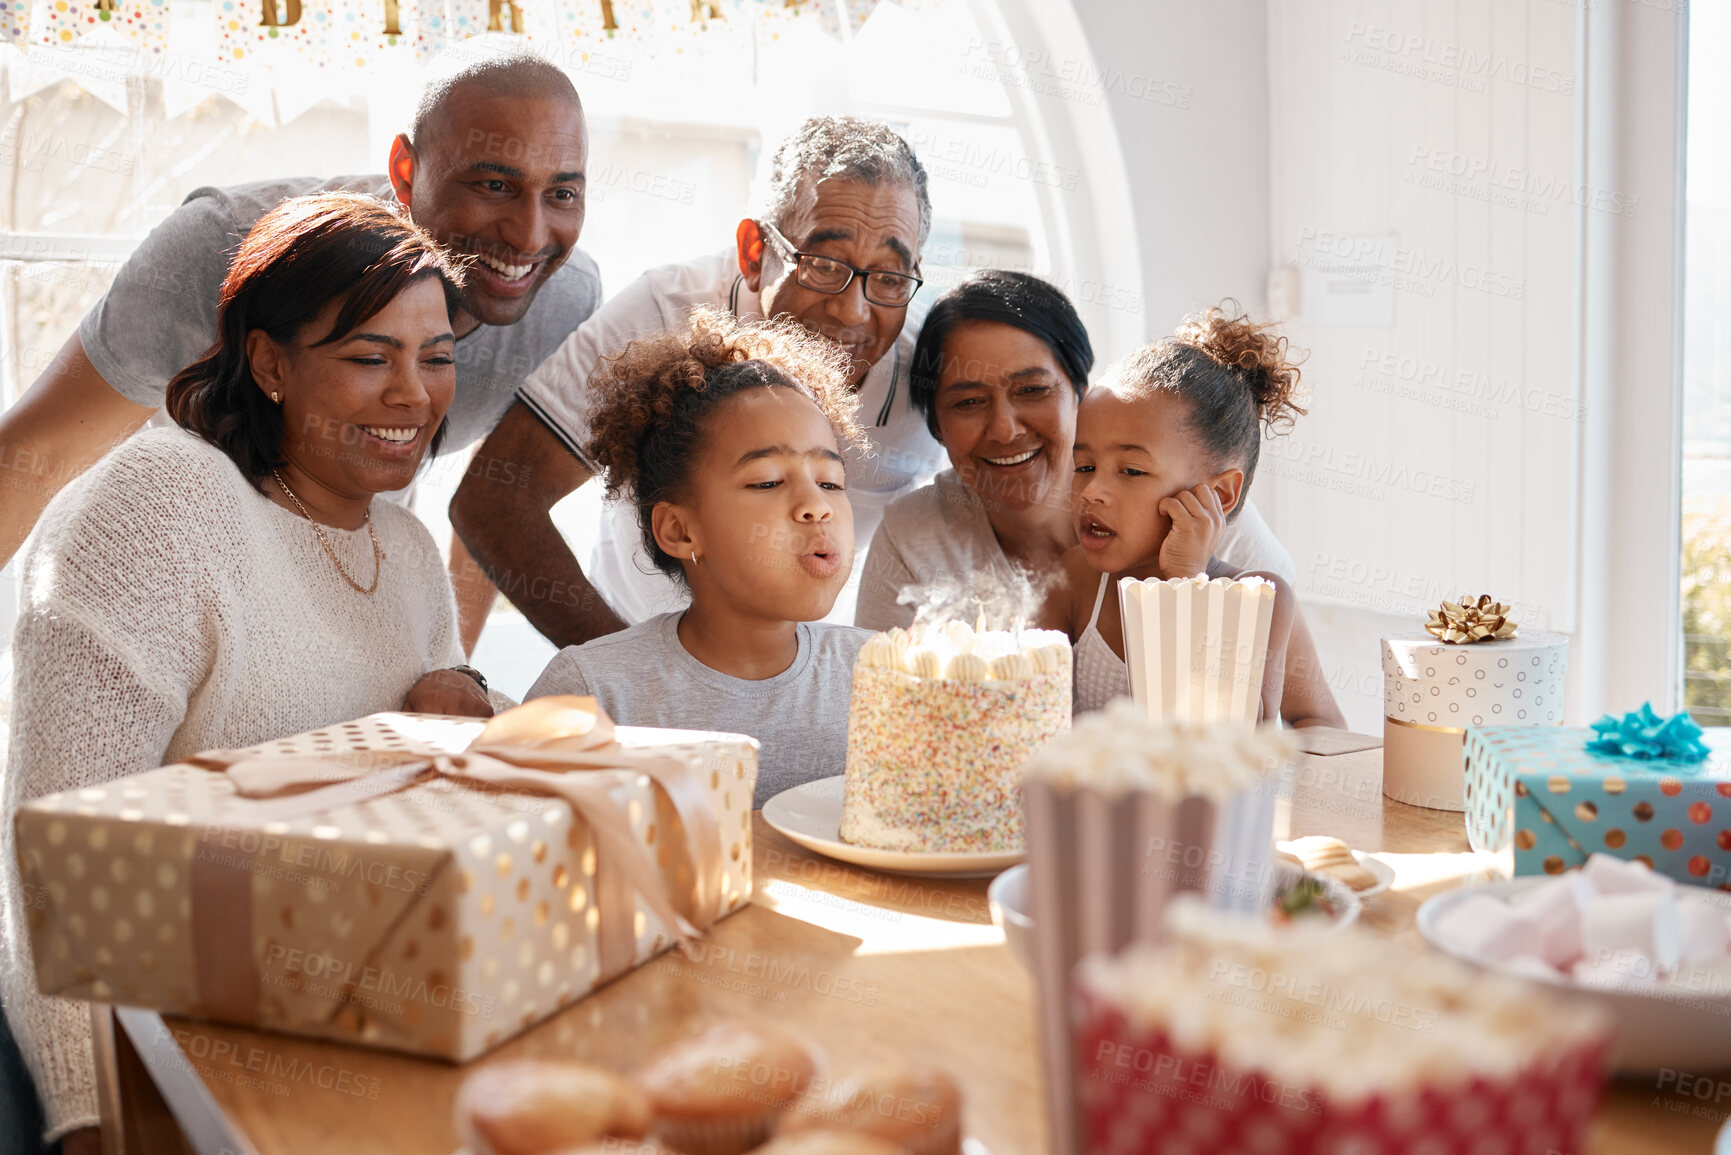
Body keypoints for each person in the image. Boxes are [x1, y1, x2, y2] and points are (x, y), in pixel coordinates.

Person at [1, 193, 494, 1155]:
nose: (412, 395)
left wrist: (472, 711)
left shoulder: (406, 545)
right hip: (168, 1048)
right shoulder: (162, 505)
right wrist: (93, 1117)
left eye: (435, 358)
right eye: (368, 356)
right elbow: (49, 857)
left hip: (354, 1030)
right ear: (269, 361)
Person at [0, 52, 600, 652]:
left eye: (562, 193)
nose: (528, 234)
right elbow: (34, 453)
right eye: (494, 185)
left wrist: (448, 668)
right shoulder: (217, 249)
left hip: (342, 606)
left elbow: (495, 502)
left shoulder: (559, 301)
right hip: (154, 600)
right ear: (406, 170)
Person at [451, 116, 949, 645]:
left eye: (890, 277)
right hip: (637, 653)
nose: (853, 310)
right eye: (824, 265)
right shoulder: (663, 312)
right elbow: (496, 499)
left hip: (806, 680)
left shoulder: (936, 374)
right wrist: (630, 670)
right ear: (754, 252)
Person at [524, 308, 867, 806]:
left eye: (831, 482)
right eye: (768, 481)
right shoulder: (592, 692)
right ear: (680, 530)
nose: (817, 505)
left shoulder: (885, 675)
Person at [854, 271, 1298, 630]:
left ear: (1080, 394)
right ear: (936, 424)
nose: (1005, 429)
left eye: (1032, 389)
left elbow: (1289, 715)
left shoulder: (1193, 513)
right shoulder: (912, 540)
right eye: (968, 402)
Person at [1045, 302, 1345, 727]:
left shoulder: (1262, 598)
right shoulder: (1076, 581)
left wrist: (1186, 580)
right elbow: (1025, 706)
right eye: (1084, 467)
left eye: (1131, 471)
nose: (1092, 492)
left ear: (1219, 494)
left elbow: (1244, 731)